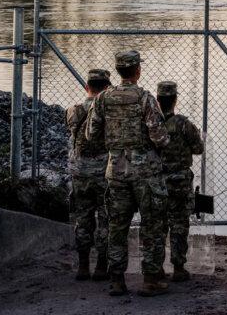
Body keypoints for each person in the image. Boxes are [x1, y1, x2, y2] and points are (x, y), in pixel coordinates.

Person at [84, 50, 170, 297]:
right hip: (145, 172)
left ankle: (117, 280)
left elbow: (91, 134)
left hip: (115, 170)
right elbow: (160, 137)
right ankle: (150, 279)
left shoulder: (103, 99)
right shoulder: (145, 99)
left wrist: (114, 146)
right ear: (137, 71)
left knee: (117, 225)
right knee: (152, 225)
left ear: (119, 71)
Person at [65, 68, 112, 282]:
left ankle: (83, 266)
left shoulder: (73, 111)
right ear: (108, 89)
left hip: (80, 172)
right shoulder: (109, 113)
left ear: (87, 87)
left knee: (82, 219)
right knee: (105, 219)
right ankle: (102, 266)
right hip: (104, 172)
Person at [156, 80, 204, 282]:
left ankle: (156, 267)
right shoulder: (184, 124)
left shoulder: (151, 124)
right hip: (181, 181)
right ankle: (178, 267)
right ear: (175, 100)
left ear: (158, 100)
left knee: (157, 225)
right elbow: (198, 148)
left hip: (158, 180)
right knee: (180, 223)